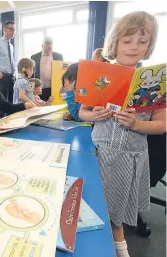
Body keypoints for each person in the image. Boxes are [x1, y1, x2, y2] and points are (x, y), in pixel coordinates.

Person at [79, 11, 166, 257]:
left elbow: (161, 125)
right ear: (115, 42)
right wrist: (93, 115)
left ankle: (119, 248)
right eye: (127, 41)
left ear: (150, 46)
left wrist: (137, 125)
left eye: (142, 41)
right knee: (96, 206)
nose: (133, 47)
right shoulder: (100, 75)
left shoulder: (155, 81)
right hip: (101, 152)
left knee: (116, 213)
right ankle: (110, 247)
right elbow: (83, 113)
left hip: (131, 156)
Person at [31, 36, 63, 101]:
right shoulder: (34, 57)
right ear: (42, 45)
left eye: (51, 44)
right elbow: (32, 74)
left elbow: (61, 72)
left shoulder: (58, 56)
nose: (50, 46)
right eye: (47, 43)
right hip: (39, 89)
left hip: (53, 89)